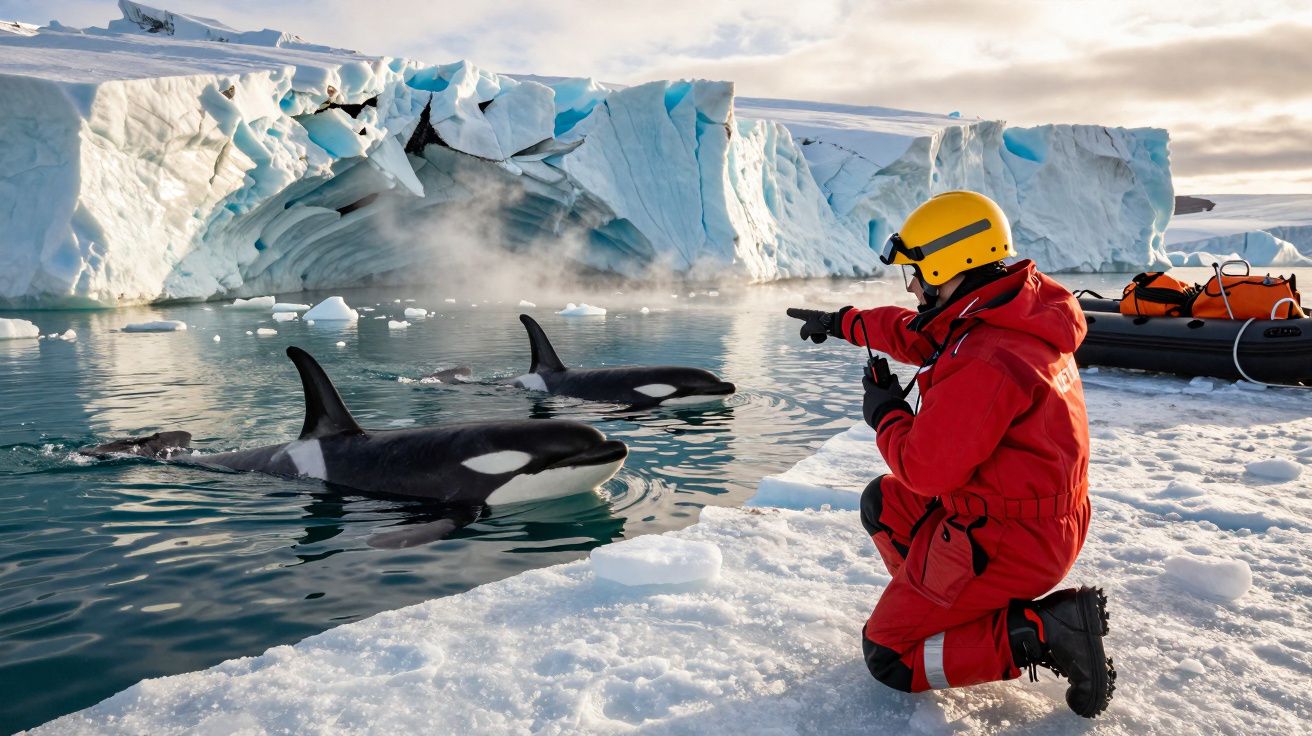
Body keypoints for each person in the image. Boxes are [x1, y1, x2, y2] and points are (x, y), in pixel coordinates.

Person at [787, 191, 1115, 718]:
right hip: (1027, 519)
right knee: (883, 502)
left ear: (948, 265)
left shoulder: (989, 356)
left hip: (1009, 539)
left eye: (916, 273)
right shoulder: (1006, 311)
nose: (913, 285)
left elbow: (925, 469)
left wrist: (887, 413)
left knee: (889, 655)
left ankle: (1041, 632)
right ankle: (944, 607)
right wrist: (843, 321)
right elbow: (916, 334)